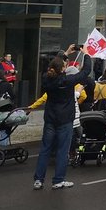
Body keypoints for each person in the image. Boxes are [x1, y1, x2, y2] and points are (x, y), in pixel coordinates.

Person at [30, 54, 92, 189]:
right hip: (65, 120)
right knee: (62, 150)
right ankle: (58, 180)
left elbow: (54, 65)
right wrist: (86, 54)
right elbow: (86, 71)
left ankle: (38, 180)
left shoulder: (46, 79)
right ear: (63, 69)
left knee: (45, 149)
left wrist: (64, 54)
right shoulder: (67, 81)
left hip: (50, 119)